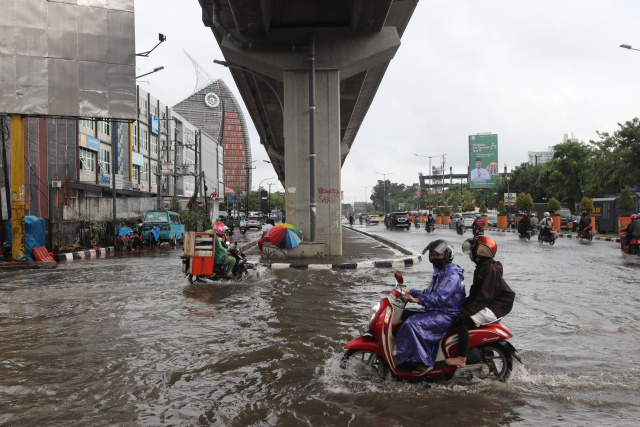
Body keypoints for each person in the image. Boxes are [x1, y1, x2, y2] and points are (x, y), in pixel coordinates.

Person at [396, 240, 465, 375]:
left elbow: (440, 297)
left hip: (447, 313)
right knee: (404, 314)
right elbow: (430, 293)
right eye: (432, 255)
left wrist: (417, 300)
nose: (434, 258)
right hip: (437, 309)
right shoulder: (440, 272)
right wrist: (411, 292)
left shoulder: (452, 274)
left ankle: (425, 362)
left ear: (447, 255)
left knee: (412, 324)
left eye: (438, 255)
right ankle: (408, 354)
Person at [445, 236, 516, 368]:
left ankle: (461, 358)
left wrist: (465, 312)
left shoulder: (490, 269)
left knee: (462, 321)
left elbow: (484, 297)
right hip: (490, 303)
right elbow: (474, 294)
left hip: (496, 306)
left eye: (472, 250)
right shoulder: (482, 267)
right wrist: (458, 304)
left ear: (481, 251)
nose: (469, 254)